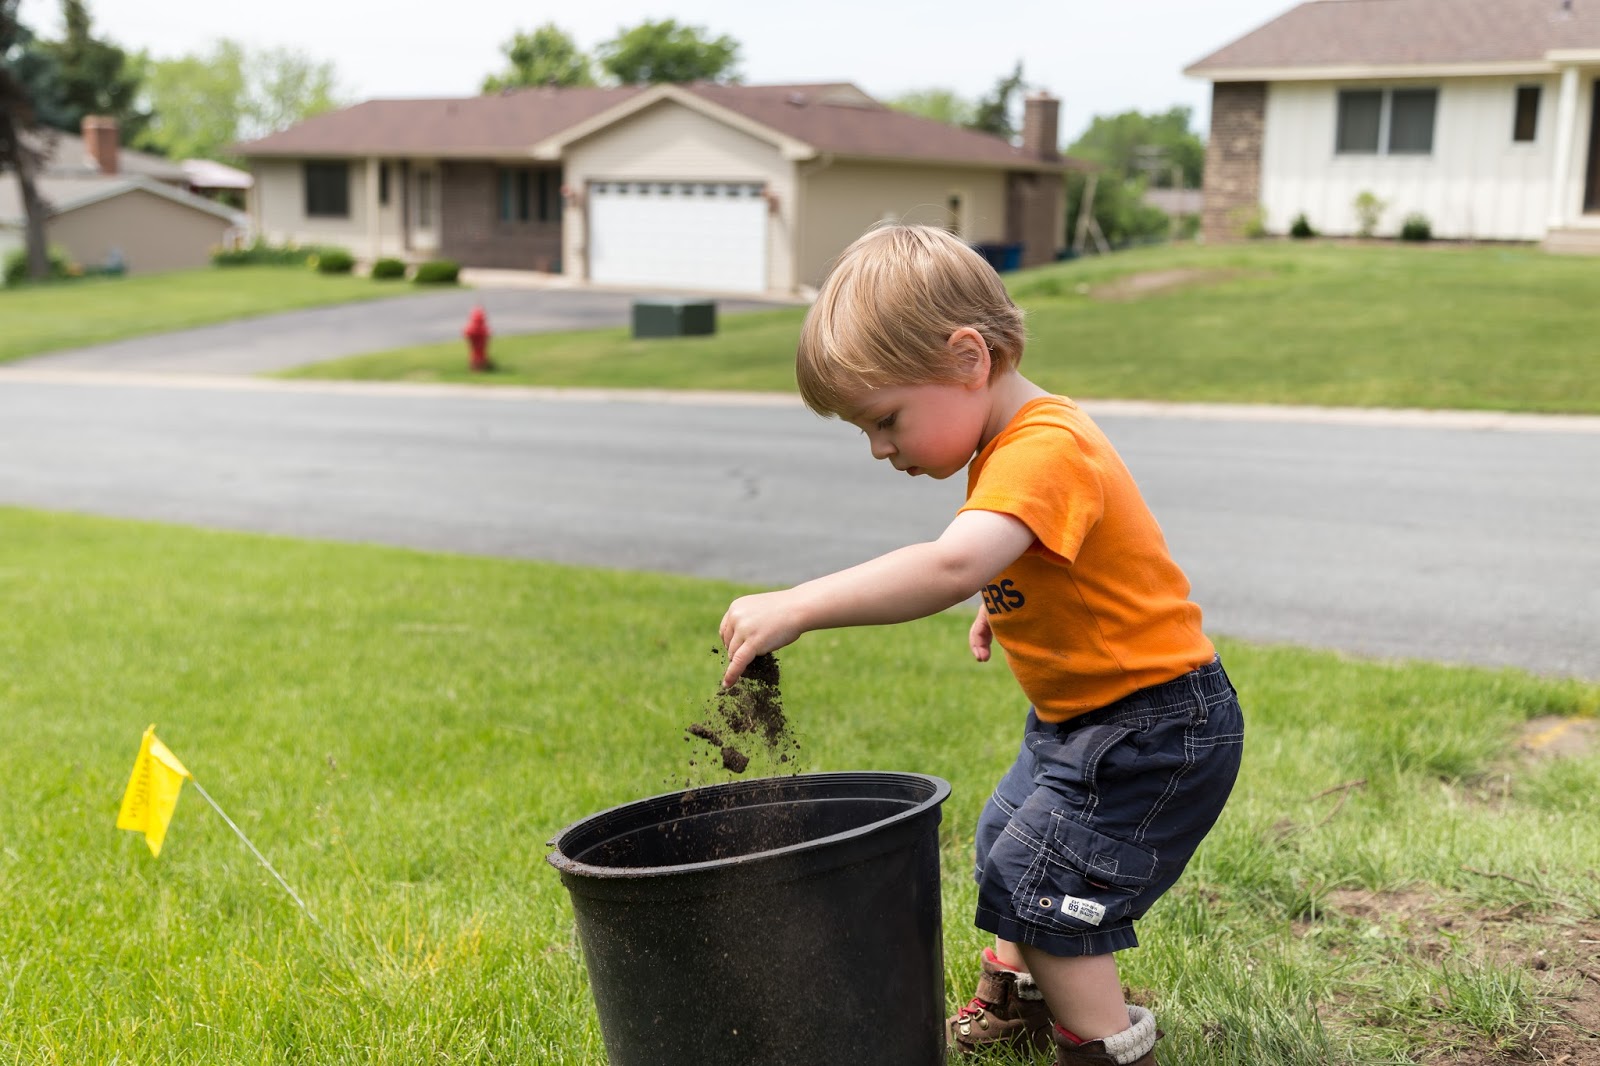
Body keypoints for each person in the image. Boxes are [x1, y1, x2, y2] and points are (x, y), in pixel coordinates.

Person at [718, 223, 1244, 1066]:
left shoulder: (1044, 447)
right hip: (1087, 721)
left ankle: (1108, 1047)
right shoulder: (1010, 441)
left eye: (885, 420)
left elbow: (954, 562)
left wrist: (802, 604)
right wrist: (1011, 603)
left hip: (1155, 730)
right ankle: (1025, 999)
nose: (879, 448)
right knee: (1007, 841)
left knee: (1048, 886)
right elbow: (1040, 556)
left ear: (969, 357)